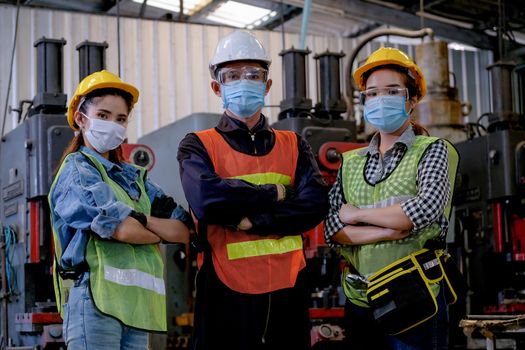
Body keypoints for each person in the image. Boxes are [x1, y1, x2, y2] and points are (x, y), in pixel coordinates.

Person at [177, 30, 329, 350]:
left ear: (267, 84)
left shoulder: (294, 144)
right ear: (217, 86)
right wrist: (275, 194)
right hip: (224, 292)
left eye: (253, 74)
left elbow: (315, 205)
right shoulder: (198, 145)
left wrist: (253, 221)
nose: (243, 81)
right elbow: (209, 200)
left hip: (288, 290)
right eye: (232, 75)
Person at [324, 47, 458, 350]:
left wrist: (356, 215)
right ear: (363, 102)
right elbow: (332, 228)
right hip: (360, 300)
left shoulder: (433, 149)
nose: (380, 99)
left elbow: (422, 210)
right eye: (372, 93)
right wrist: (387, 228)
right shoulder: (351, 162)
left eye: (392, 91)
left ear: (411, 99)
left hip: (415, 299)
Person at [49, 70, 191, 350]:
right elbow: (123, 230)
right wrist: (155, 231)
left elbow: (183, 231)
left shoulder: (134, 178)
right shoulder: (77, 170)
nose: (112, 124)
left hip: (137, 308)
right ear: (81, 118)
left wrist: (140, 219)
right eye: (102, 116)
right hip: (94, 305)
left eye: (121, 119)